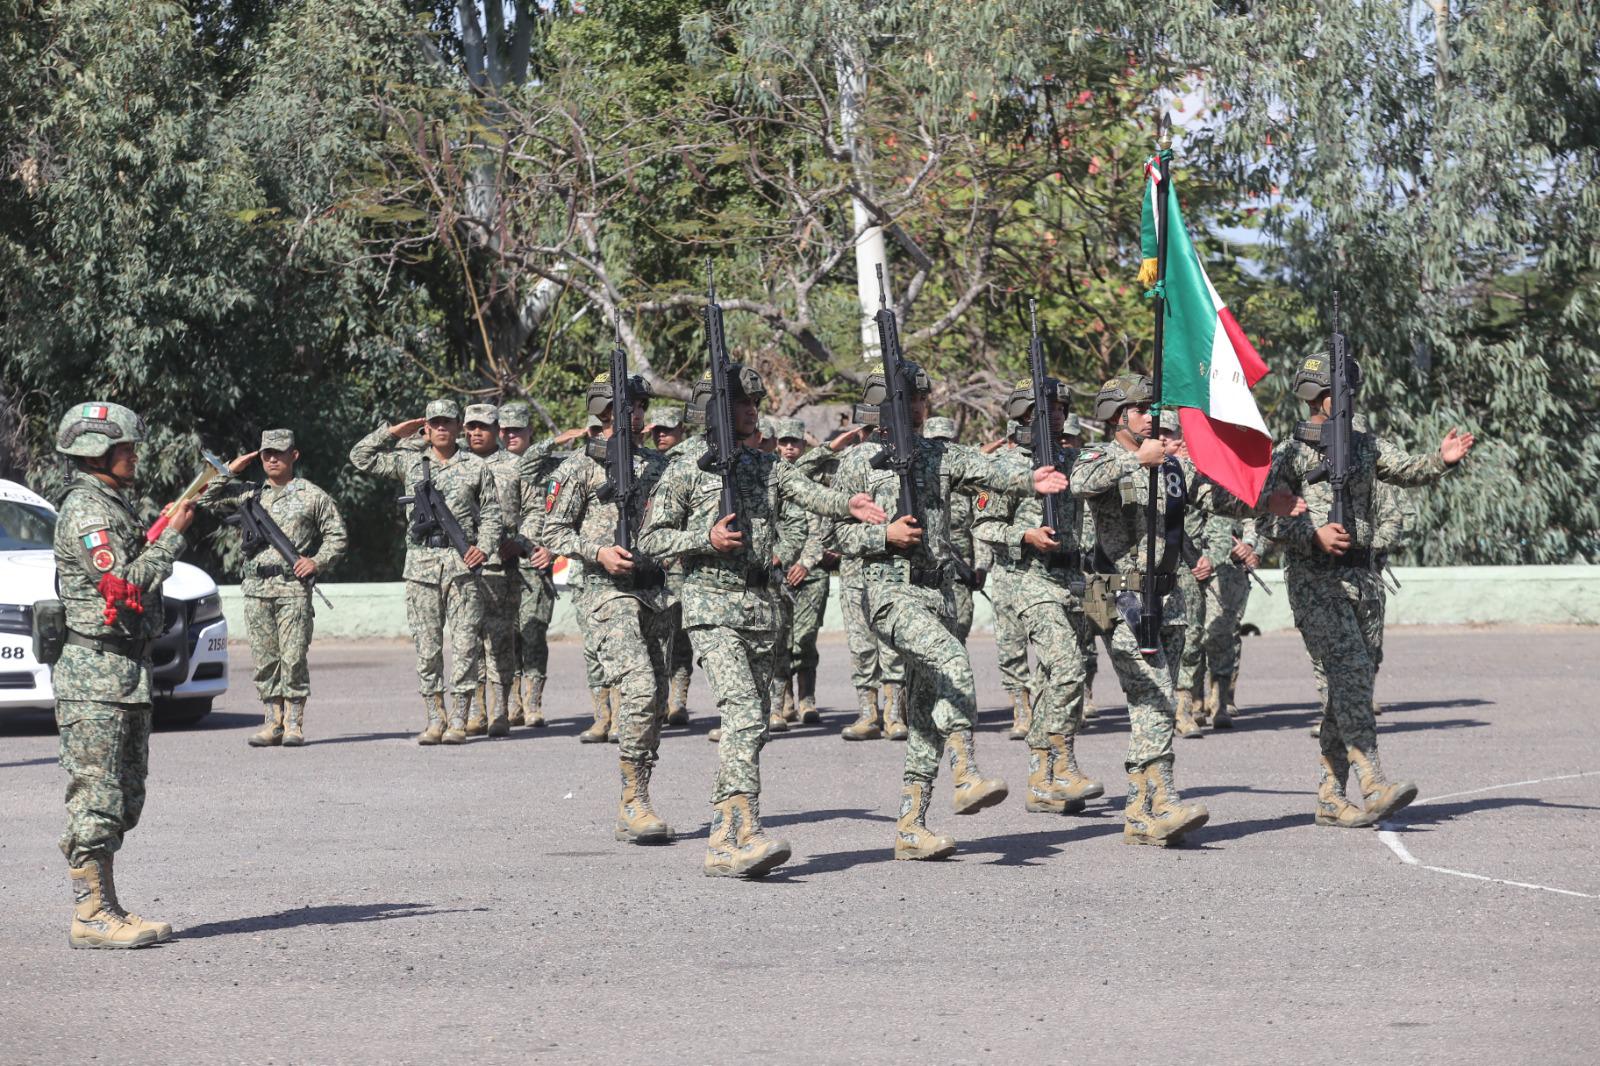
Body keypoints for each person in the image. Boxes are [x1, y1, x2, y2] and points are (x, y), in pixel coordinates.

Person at [638, 365, 887, 878]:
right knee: (746, 713)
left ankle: (729, 834)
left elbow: (806, 492)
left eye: (755, 401)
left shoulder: (762, 464)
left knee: (749, 728)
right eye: (740, 403)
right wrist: (703, 539)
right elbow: (651, 539)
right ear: (713, 411)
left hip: (760, 606)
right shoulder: (684, 468)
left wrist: (849, 504)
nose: (753, 410)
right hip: (711, 606)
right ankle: (735, 836)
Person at [832, 363, 1069, 861]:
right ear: (880, 408)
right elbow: (836, 535)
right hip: (889, 593)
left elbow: (992, 471)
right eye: (905, 400)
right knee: (954, 666)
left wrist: (1034, 479)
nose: (916, 407)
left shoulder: (940, 454)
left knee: (922, 717)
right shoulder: (859, 463)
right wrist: (884, 534)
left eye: (921, 398)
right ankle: (966, 773)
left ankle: (911, 829)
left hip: (937, 595)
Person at [1070, 375, 1285, 846]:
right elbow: (1079, 483)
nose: (1152, 416)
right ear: (1115, 415)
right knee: (1154, 696)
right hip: (1117, 594)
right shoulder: (1098, 456)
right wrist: (1134, 461)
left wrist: (1269, 499)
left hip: (1168, 597)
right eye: (1141, 408)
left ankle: (1141, 810)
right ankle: (1158, 803)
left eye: (1152, 408)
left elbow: (1218, 498)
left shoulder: (1171, 467)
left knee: (1158, 701)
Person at [1261, 354, 1474, 827]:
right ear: (1324, 399)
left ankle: (1330, 796)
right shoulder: (1290, 453)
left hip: (1365, 578)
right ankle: (1373, 781)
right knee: (1351, 673)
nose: (1351, 400)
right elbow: (1264, 519)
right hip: (1317, 580)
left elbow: (1406, 469)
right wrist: (1311, 534)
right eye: (1344, 392)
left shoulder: (1364, 444)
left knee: (1354, 682)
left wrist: (1441, 460)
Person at [51, 401, 193, 948]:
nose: (134, 457)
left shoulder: (113, 504)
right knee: (97, 796)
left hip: (121, 672)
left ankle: (107, 906)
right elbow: (125, 588)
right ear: (97, 453)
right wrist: (171, 540)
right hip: (95, 674)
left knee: (123, 795)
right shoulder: (89, 513)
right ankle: (90, 916)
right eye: (125, 449)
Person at [544, 372, 675, 843]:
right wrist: (596, 551)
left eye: (642, 406)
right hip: (604, 592)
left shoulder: (660, 465)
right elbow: (551, 530)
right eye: (627, 406)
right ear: (602, 412)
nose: (637, 415)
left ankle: (640, 791)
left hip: (655, 593)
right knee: (638, 687)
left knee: (657, 700)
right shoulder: (577, 468)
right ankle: (632, 803)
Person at [973, 380, 1102, 816]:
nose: (1058, 414)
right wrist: (1023, 534)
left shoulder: (1074, 459)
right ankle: (1061, 764)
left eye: (1063, 406)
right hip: (1029, 578)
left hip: (1076, 578)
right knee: (1067, 666)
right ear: (1025, 414)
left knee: (1065, 676)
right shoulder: (1007, 466)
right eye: (1048, 408)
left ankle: (1042, 779)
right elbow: (984, 526)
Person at [350, 399, 502, 744]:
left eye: (448, 422)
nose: (442, 428)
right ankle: (435, 718)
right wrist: (390, 432)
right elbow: (360, 458)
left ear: (458, 426)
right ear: (427, 428)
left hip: (463, 565)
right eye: (435, 422)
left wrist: (485, 547)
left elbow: (493, 514)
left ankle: (460, 719)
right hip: (421, 566)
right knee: (427, 648)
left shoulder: (476, 468)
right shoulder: (410, 462)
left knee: (465, 646)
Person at [199, 429, 347, 747]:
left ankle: (293, 723)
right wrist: (229, 471)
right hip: (256, 587)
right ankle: (272, 723)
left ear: (294, 455)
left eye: (279, 453)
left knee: (292, 657)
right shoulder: (249, 493)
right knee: (265, 659)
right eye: (267, 453)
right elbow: (206, 500)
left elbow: (337, 535)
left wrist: (316, 561)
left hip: (292, 587)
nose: (272, 458)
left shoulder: (313, 495)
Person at [794, 424, 906, 740]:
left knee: (892, 643)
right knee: (861, 645)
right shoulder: (847, 464)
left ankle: (895, 714)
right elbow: (799, 478)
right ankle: (868, 713)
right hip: (856, 569)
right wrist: (829, 447)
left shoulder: (902, 459)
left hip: (892, 566)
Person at [498, 402, 584, 728]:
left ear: (530, 432)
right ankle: (512, 703)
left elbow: (568, 514)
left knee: (533, 632)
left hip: (537, 561)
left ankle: (533, 703)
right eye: (505, 430)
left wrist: (553, 551)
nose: (510, 435)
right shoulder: (492, 465)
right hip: (502, 562)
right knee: (507, 636)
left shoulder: (555, 466)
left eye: (517, 430)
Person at [768, 417, 827, 728]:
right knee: (779, 641)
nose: (790, 447)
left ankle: (806, 701)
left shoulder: (813, 483)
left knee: (804, 640)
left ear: (805, 445)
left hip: (810, 574)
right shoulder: (768, 480)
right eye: (784, 442)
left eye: (796, 442)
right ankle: (779, 704)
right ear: (777, 445)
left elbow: (820, 531)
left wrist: (805, 562)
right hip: (775, 574)